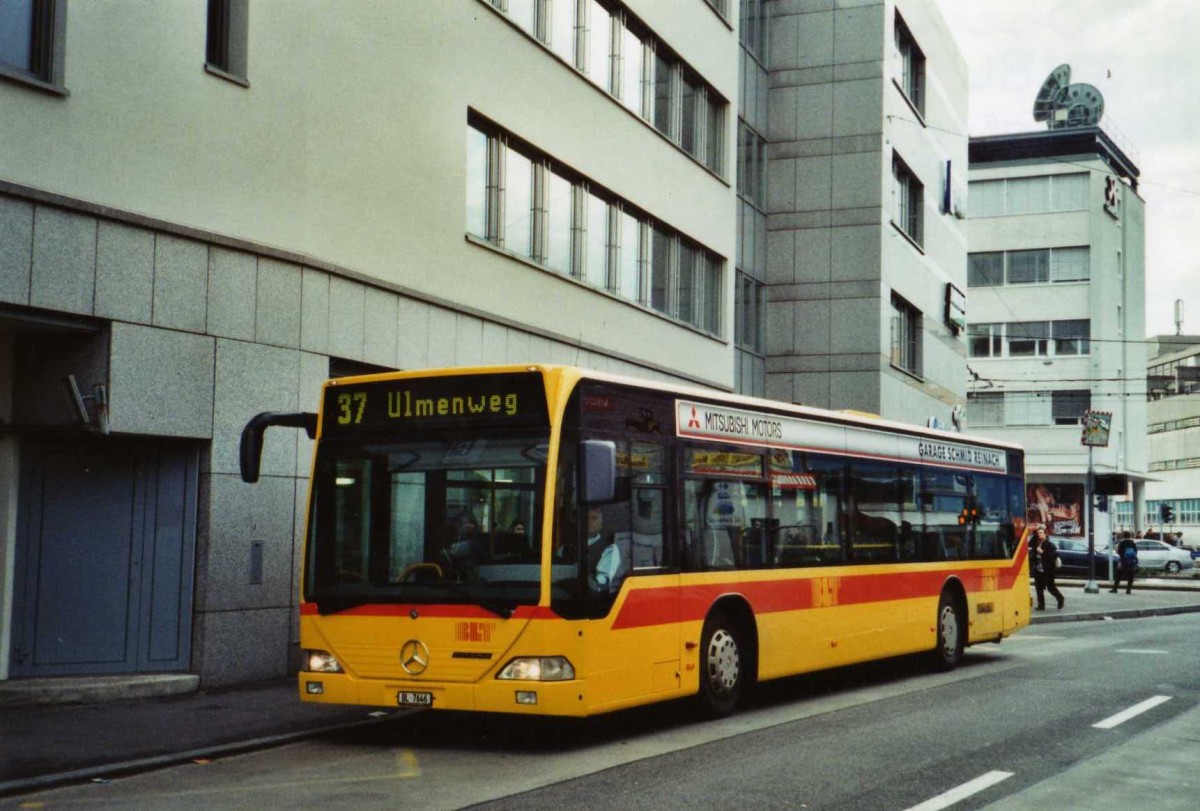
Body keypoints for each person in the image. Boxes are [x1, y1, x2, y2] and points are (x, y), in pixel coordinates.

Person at [584, 507, 622, 592]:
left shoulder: (610, 549)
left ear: (601, 522)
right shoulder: (570, 546)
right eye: (586, 518)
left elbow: (600, 584)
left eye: (594, 518)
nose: (589, 521)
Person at [1031, 526, 1064, 610]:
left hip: (1047, 570)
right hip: (1038, 569)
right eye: (1038, 533)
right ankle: (1041, 606)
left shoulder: (1049, 544)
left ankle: (1060, 598)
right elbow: (1029, 543)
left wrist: (1043, 552)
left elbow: (1054, 555)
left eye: (1041, 533)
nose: (1039, 535)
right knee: (1039, 589)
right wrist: (1035, 533)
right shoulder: (1035, 543)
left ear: (1045, 534)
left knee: (1050, 587)